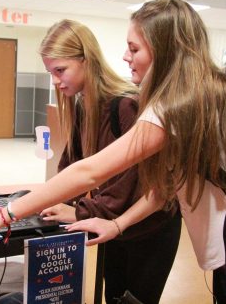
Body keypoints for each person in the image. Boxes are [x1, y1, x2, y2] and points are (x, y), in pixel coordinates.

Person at [0, 0, 226, 303]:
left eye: (134, 48)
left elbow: (89, 171)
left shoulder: (178, 104)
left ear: (165, 49)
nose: (125, 56)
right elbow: (167, 186)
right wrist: (118, 225)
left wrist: (3, 215)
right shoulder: (203, 93)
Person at [37, 19, 181, 303]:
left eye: (60, 70)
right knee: (113, 296)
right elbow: (73, 166)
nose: (55, 80)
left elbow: (132, 184)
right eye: (50, 72)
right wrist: (53, 200)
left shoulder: (126, 105)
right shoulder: (83, 104)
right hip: (115, 225)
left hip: (150, 227)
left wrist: (80, 212)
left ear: (86, 60)